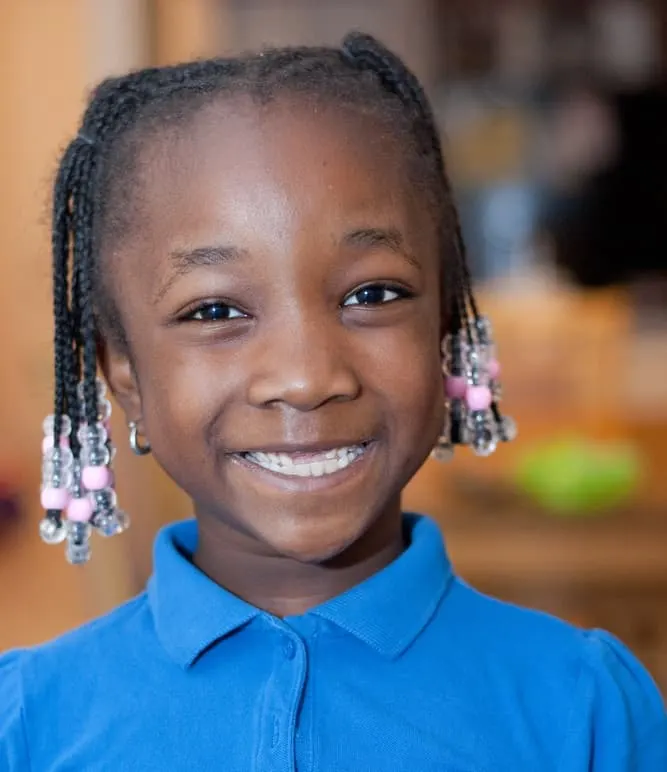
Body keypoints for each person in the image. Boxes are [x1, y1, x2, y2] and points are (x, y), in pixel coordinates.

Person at [0, 33, 665, 771]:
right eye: (215, 311)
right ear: (121, 372)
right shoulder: (32, 724)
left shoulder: (582, 707)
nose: (307, 375)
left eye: (371, 294)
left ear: (445, 330)